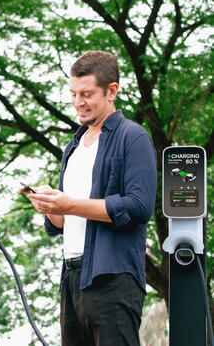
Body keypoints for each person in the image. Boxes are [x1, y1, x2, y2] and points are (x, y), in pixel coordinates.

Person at [24, 51, 157, 346]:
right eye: (73, 94)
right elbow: (61, 223)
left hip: (113, 278)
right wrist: (50, 205)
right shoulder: (72, 147)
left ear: (112, 91)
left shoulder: (133, 137)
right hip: (71, 277)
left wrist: (69, 203)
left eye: (86, 94)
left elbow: (139, 206)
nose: (77, 103)